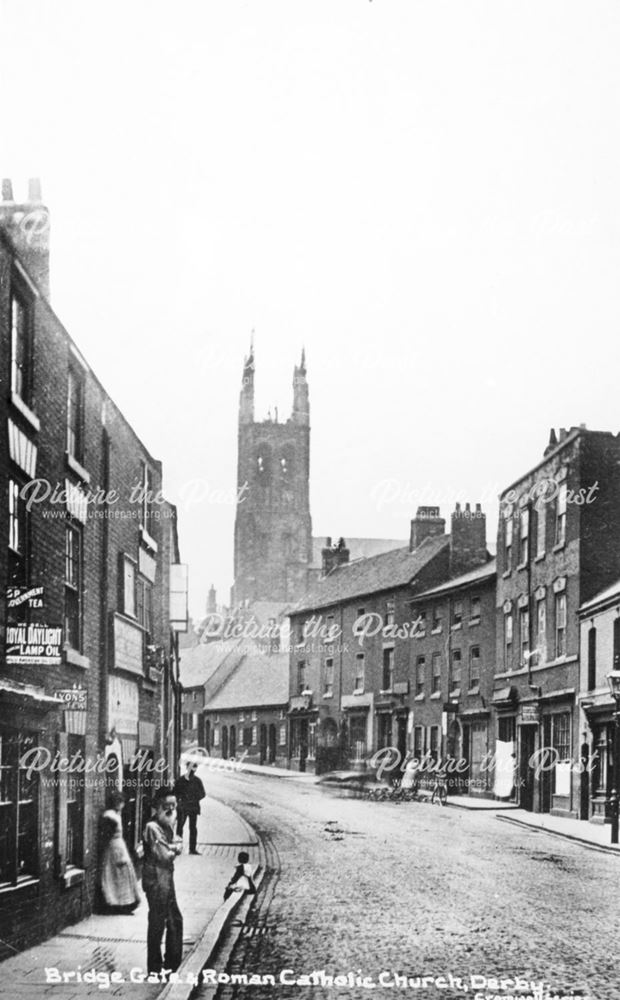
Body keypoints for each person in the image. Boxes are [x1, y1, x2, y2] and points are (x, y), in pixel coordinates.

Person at [142, 787, 184, 976]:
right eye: (167, 806)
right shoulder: (152, 827)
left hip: (166, 878)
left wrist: (174, 846)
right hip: (156, 878)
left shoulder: (166, 825)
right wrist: (175, 848)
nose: (171, 810)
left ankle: (171, 964)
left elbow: (177, 841)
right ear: (157, 806)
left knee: (174, 919)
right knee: (158, 922)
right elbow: (164, 855)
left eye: (173, 806)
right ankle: (155, 967)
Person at [99, 791, 140, 913]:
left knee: (122, 874)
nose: (122, 805)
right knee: (116, 874)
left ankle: (124, 902)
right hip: (114, 848)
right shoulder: (109, 816)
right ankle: (117, 903)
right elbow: (107, 834)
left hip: (119, 846)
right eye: (120, 802)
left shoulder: (116, 814)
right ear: (116, 803)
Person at [173, 761, 206, 855]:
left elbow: (202, 793)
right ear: (187, 768)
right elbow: (175, 792)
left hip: (192, 807)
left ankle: (192, 849)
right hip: (184, 807)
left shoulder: (197, 781)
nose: (192, 770)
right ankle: (179, 848)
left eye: (194, 768)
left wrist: (194, 798)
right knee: (181, 827)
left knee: (191, 828)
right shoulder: (181, 780)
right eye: (190, 768)